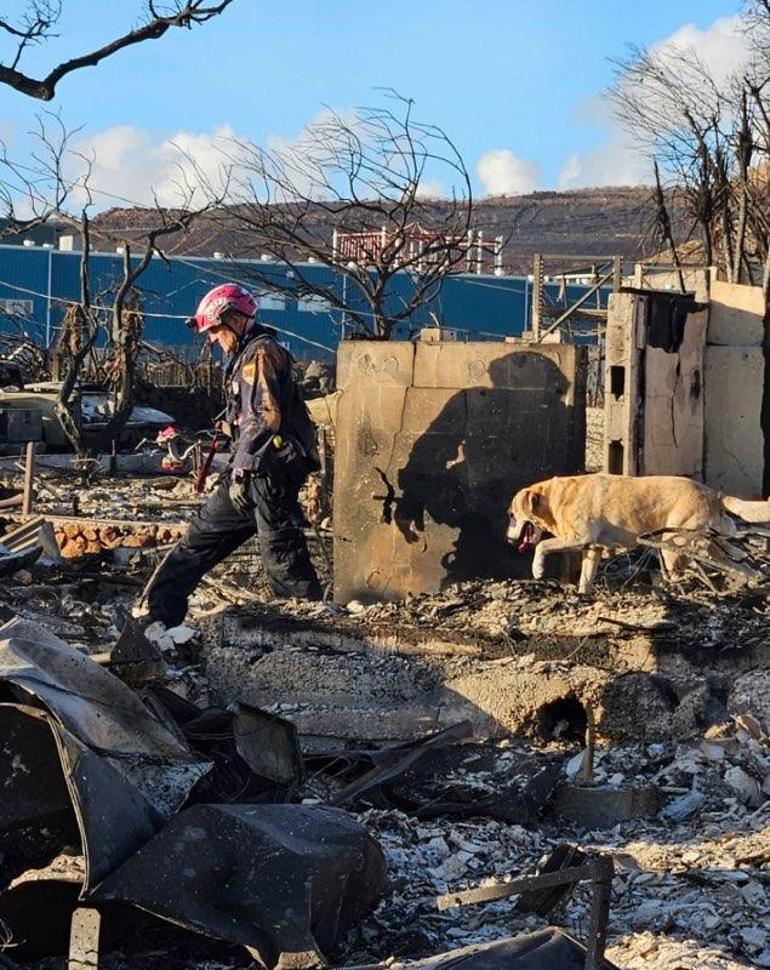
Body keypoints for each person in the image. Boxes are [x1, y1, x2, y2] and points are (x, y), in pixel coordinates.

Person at [142, 283, 323, 628]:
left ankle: (309, 633)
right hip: (250, 474)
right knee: (197, 542)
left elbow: (264, 418)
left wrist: (240, 471)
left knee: (281, 555)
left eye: (215, 331)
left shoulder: (260, 355)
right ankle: (158, 622)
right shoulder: (246, 355)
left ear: (235, 320)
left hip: (269, 474)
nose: (212, 340)